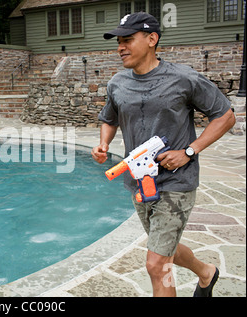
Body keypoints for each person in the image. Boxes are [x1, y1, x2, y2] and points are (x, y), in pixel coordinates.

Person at [91, 12, 236, 297]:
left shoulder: (184, 78)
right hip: (139, 182)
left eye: (128, 40)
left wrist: (189, 151)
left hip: (176, 182)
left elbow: (226, 116)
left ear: (152, 39)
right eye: (118, 41)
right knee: (163, 249)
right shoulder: (117, 83)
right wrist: (103, 144)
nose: (120, 47)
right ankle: (206, 272)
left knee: (157, 264)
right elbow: (110, 118)